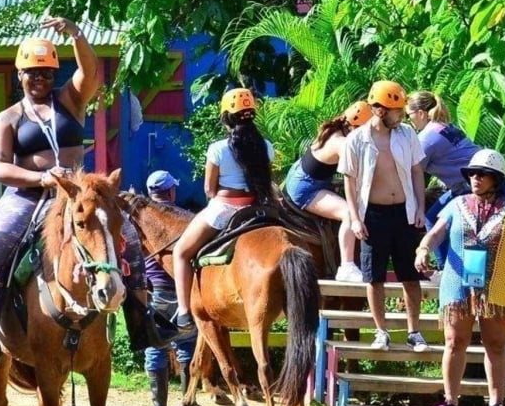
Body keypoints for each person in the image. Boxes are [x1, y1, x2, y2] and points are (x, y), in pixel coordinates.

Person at [0, 19, 100, 363]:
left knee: (125, 236)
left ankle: (143, 319)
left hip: (75, 193)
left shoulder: (71, 101)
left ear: (54, 75)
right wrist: (40, 178)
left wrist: (76, 35)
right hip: (27, 196)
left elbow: (92, 73)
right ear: (20, 75)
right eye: (32, 72)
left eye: (45, 73)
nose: (38, 79)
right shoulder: (8, 117)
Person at [416, 150, 505, 406]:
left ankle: (497, 404)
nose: (475, 178)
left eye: (482, 174)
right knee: (454, 342)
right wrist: (424, 249)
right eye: (472, 173)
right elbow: (436, 232)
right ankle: (449, 401)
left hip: (498, 285)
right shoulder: (456, 204)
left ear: (496, 179)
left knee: (496, 345)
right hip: (457, 283)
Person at [169, 89, 277, 332]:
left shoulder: (218, 149)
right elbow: (266, 179)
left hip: (223, 210)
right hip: (260, 209)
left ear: (227, 118)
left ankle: (184, 313)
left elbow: (209, 188)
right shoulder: (266, 146)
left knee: (181, 252)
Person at [340, 80, 430, 351]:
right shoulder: (356, 139)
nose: (401, 115)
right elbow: (349, 180)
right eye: (396, 110)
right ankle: (381, 331)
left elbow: (416, 171)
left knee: (409, 275)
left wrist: (420, 209)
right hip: (373, 214)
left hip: (404, 211)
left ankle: (414, 331)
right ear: (380, 110)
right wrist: (355, 218)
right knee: (374, 276)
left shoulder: (406, 135)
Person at [282, 101, 372, 283]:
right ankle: (346, 266)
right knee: (349, 213)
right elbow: (361, 174)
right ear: (355, 127)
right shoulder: (343, 143)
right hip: (307, 187)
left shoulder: (334, 130)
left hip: (303, 176)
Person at [140, 170, 194, 406]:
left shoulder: (138, 223)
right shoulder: (185, 220)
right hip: (187, 291)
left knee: (155, 345)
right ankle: (186, 401)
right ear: (171, 192)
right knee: (187, 343)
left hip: (155, 290)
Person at [407, 90, 481, 224]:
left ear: (420, 113)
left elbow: (411, 173)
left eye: (408, 115)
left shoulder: (426, 139)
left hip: (471, 188)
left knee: (430, 220)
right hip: (476, 183)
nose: (408, 119)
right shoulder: (444, 126)